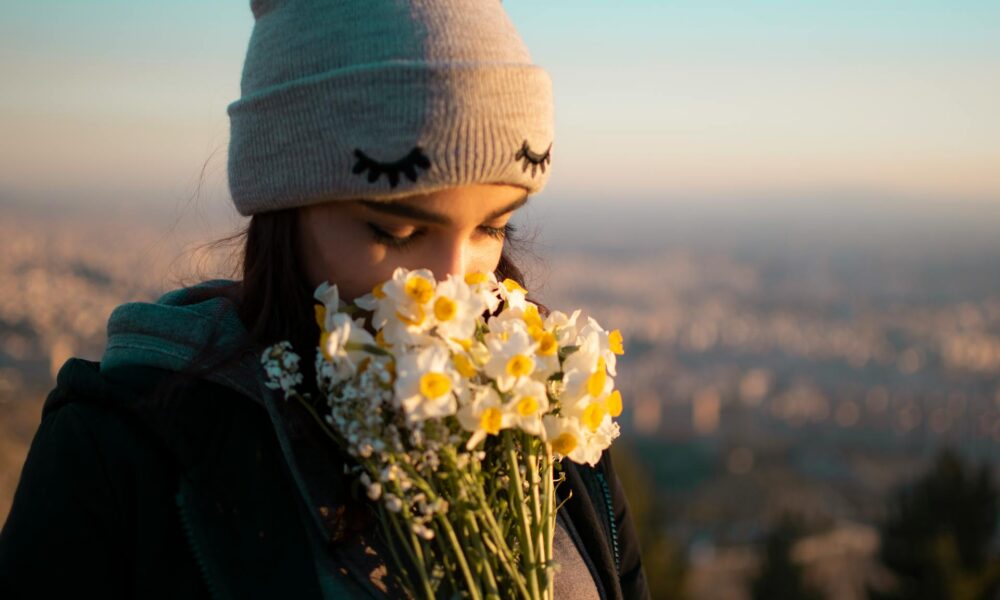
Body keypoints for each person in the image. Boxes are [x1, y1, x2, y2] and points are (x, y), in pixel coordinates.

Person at [0, 1, 650, 598]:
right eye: (394, 230)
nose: (457, 285)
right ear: (285, 210)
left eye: (492, 227)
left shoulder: (545, 426)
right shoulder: (120, 454)